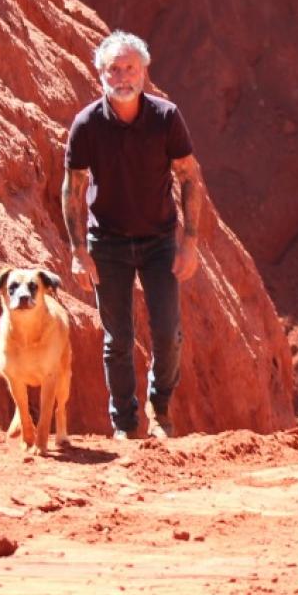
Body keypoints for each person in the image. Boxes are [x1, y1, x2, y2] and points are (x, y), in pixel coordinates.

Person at [62, 31, 204, 440]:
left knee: (168, 333)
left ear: (144, 72)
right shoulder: (87, 124)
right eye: (113, 69)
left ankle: (160, 408)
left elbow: (189, 176)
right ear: (101, 74)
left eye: (130, 68)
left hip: (159, 241)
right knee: (118, 339)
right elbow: (72, 187)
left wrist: (189, 241)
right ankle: (125, 424)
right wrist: (78, 250)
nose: (122, 76)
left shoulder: (165, 117)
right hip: (106, 243)